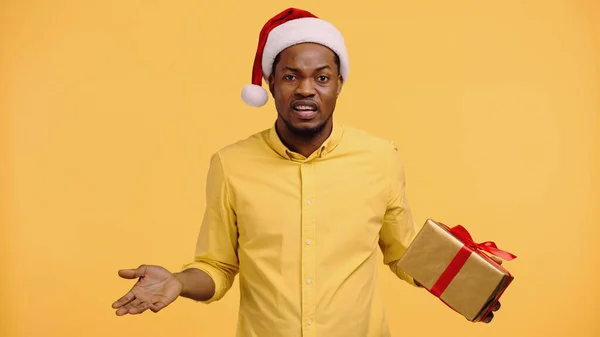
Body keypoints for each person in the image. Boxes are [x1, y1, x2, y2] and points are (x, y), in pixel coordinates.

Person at [111, 7, 502, 336]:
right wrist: (178, 282)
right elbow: (218, 265)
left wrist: (469, 282)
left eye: (322, 77)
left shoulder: (380, 158)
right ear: (270, 83)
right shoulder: (231, 164)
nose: (305, 89)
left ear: (339, 84)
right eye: (290, 76)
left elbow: (402, 254)